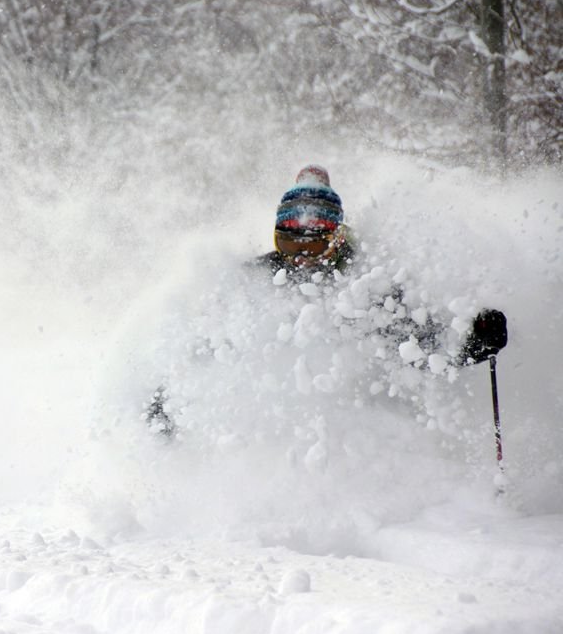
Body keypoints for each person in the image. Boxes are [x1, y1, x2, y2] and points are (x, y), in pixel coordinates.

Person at [145, 165, 508, 436]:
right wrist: (168, 399)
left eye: (314, 244)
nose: (301, 258)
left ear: (336, 238)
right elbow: (203, 346)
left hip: (359, 430)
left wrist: (477, 343)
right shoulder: (253, 281)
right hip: (271, 431)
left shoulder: (370, 286)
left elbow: (428, 351)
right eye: (289, 243)